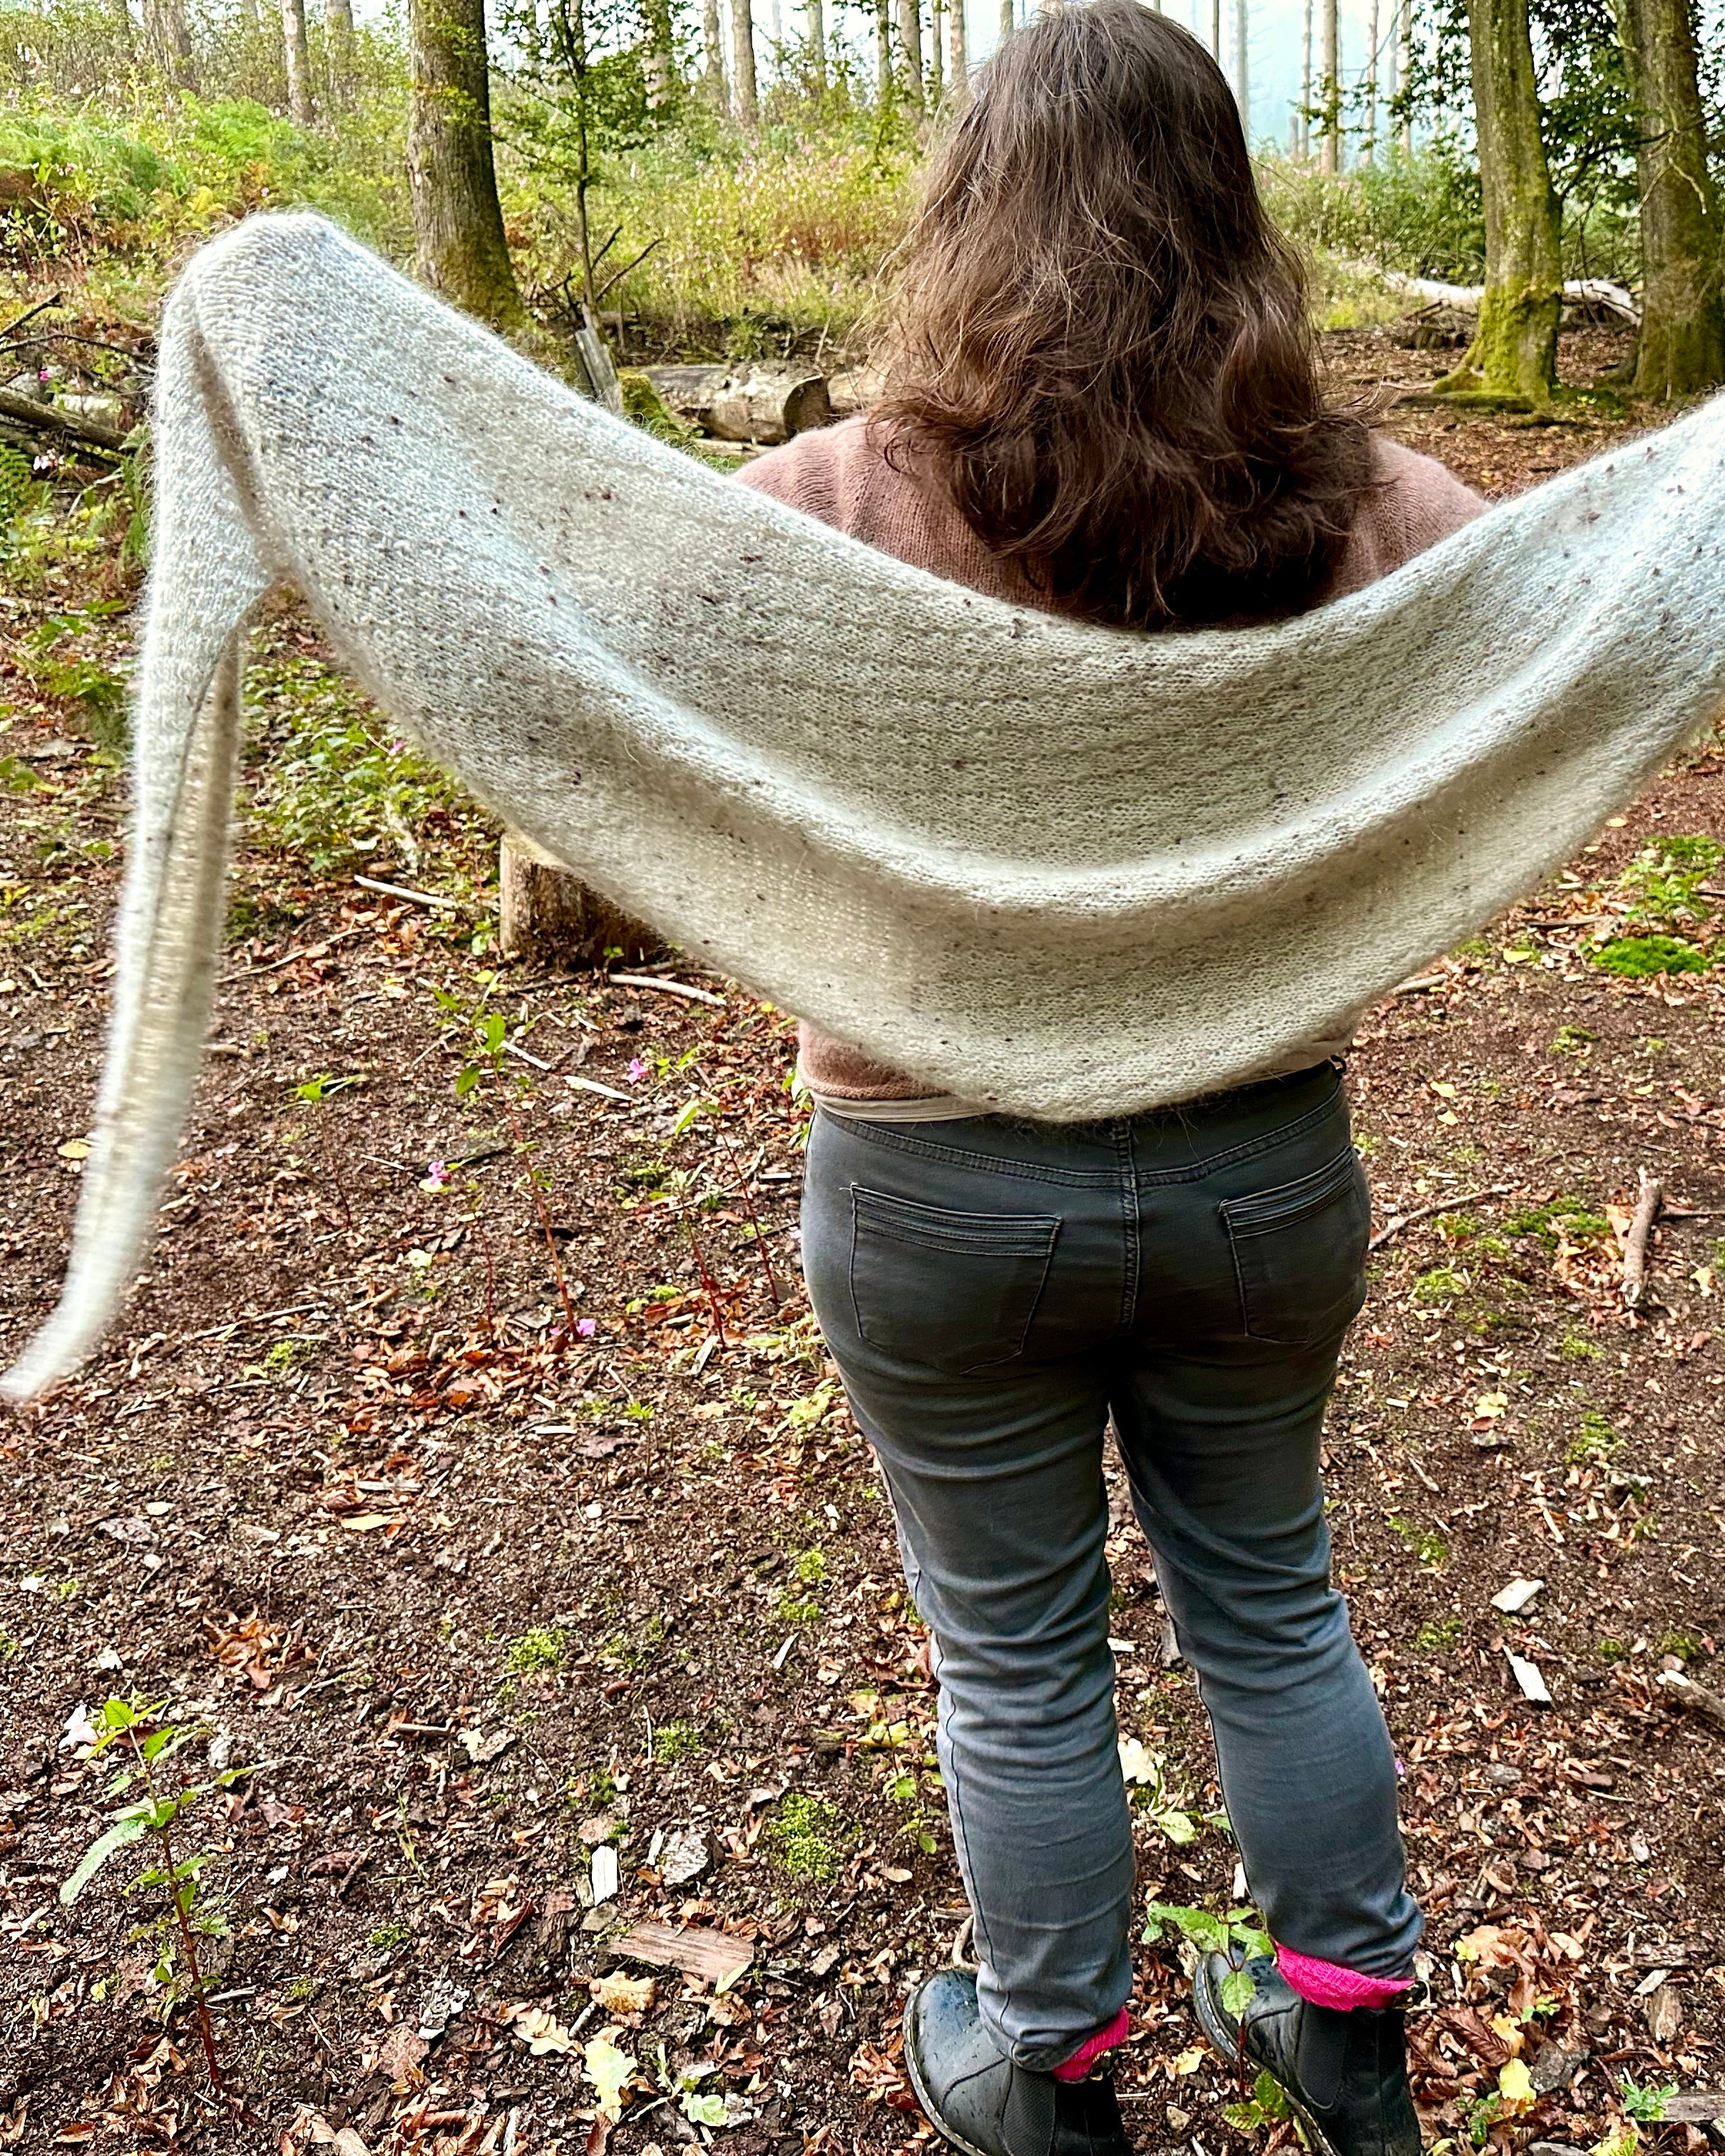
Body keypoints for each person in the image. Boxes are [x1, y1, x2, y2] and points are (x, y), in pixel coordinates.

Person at [740, 9, 1481, 2153]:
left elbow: (570, 651)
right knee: (1268, 1599)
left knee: (1014, 1651)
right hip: (1263, 1168)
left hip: (930, 1185)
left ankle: (1048, 2065)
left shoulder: (828, 498)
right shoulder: (1380, 502)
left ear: (966, 213)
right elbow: (1563, 649)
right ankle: (1343, 2031)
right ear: (1224, 218)